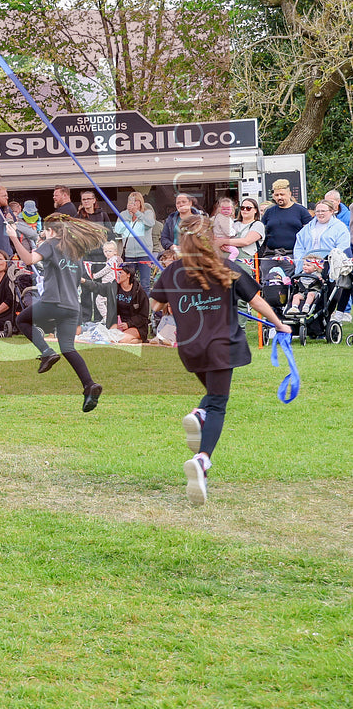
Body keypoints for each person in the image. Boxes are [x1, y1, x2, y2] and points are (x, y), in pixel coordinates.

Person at [152, 214, 290, 505]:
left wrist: (169, 299)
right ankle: (202, 459)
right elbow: (257, 300)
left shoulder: (172, 271)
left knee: (212, 397)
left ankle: (199, 415)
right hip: (221, 347)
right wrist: (279, 325)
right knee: (217, 403)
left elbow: (156, 305)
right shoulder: (226, 267)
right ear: (210, 238)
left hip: (190, 349)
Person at [8, 214, 108, 412]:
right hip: (72, 307)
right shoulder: (75, 250)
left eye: (44, 230)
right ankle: (89, 385)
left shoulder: (51, 244)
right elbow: (77, 278)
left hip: (53, 302)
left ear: (51, 230)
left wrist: (13, 237)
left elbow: (28, 259)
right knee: (68, 348)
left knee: (22, 320)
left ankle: (46, 352)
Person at [113, 192, 158, 295]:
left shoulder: (147, 213)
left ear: (141, 202)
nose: (133, 203)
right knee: (129, 283)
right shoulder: (123, 214)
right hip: (129, 254)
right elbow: (118, 230)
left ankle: (145, 304)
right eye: (131, 201)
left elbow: (150, 223)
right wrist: (129, 217)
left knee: (145, 283)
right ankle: (131, 302)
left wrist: (137, 213)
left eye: (136, 201)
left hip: (144, 253)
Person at [293, 200, 351, 270]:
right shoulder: (307, 228)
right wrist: (301, 263)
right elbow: (299, 248)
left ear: (331, 211)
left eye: (323, 211)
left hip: (330, 268)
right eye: (318, 211)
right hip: (308, 268)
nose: (320, 213)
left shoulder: (340, 228)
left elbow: (343, 249)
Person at [260, 179, 311, 255]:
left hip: (294, 253)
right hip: (271, 253)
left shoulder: (301, 210)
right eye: (276, 195)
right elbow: (262, 230)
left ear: (289, 194)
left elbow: (309, 232)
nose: (279, 197)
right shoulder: (269, 211)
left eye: (282, 194)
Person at [112, 264, 150, 343]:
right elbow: (100, 288)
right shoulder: (115, 288)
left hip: (137, 326)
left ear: (128, 275)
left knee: (121, 340)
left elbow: (143, 316)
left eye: (120, 273)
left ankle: (140, 340)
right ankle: (133, 340)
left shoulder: (139, 292)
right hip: (120, 324)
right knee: (110, 339)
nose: (118, 275)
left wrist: (128, 324)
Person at [221, 197, 264, 264]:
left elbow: (246, 241)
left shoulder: (257, 225)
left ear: (255, 210)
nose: (245, 210)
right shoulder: (233, 223)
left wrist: (223, 241)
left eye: (248, 208)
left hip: (245, 263)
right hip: (225, 260)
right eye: (242, 208)